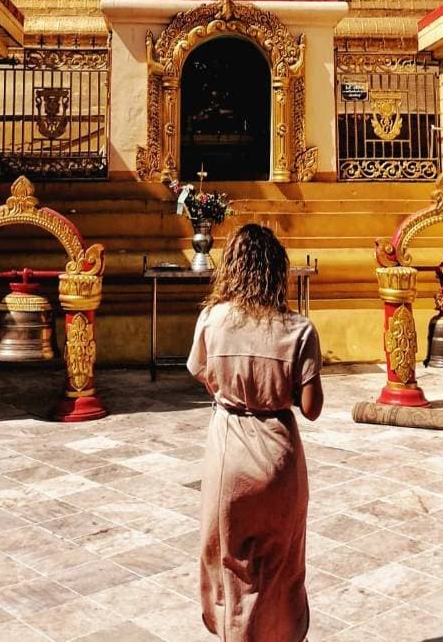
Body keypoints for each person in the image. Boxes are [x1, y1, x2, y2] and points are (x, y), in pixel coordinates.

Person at [187, 223, 323, 642]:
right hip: (279, 457)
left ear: (232, 267)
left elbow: (201, 372)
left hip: (229, 451)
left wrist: (235, 389)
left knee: (229, 561)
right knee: (281, 561)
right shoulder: (298, 329)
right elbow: (311, 409)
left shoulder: (213, 319)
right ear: (277, 271)